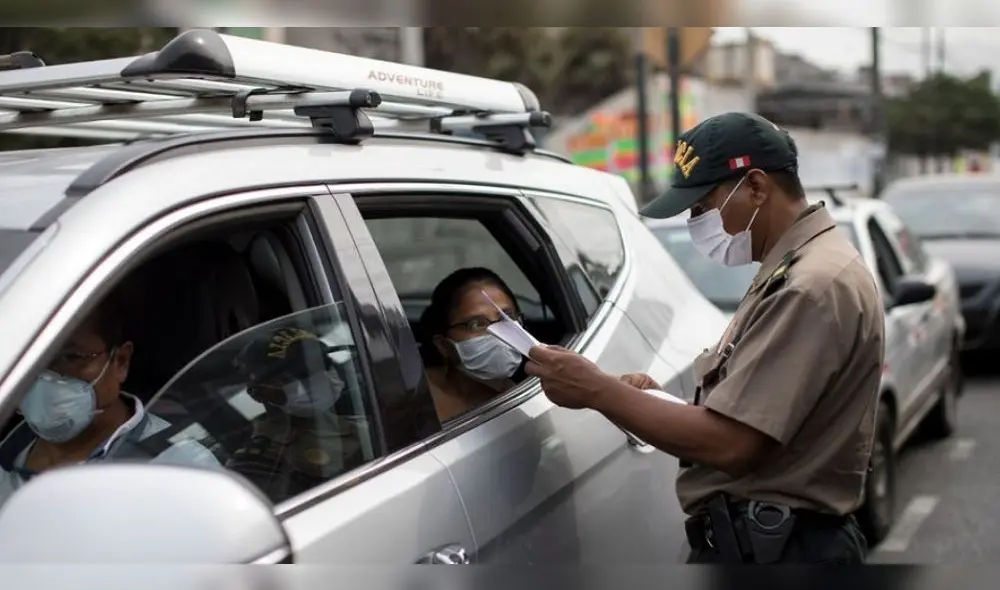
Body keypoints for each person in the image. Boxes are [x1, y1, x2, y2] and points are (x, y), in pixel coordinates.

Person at [524, 112, 884, 564]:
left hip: (783, 548)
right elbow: (762, 410)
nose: (696, 223)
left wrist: (598, 391)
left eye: (701, 207)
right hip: (772, 540)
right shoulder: (793, 267)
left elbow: (733, 444)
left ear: (755, 187)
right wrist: (655, 402)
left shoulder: (810, 284)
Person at [0, 292, 221, 508]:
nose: (43, 379)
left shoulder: (180, 468)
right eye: (29, 360)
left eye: (69, 358)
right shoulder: (8, 450)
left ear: (121, 362)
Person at [228, 324, 368, 503]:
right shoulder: (254, 464)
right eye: (297, 375)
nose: (317, 378)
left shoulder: (362, 421)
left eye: (322, 365)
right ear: (261, 393)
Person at [419, 267, 528, 421]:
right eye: (477, 324)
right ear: (443, 345)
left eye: (506, 318)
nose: (498, 334)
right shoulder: (416, 402)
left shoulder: (515, 393)